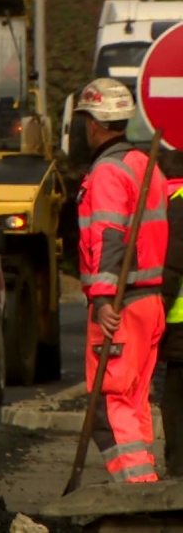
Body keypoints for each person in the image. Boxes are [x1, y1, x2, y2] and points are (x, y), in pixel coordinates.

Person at [74, 78, 169, 482]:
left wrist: (103, 298)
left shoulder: (109, 172)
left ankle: (136, 494)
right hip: (148, 303)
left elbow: (109, 238)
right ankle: (146, 488)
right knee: (133, 404)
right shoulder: (145, 166)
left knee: (108, 408)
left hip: (121, 306)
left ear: (94, 123)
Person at [157, 150, 183, 477]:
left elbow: (172, 267)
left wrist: (156, 313)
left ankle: (178, 474)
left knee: (175, 402)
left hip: (179, 323)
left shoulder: (176, 204)